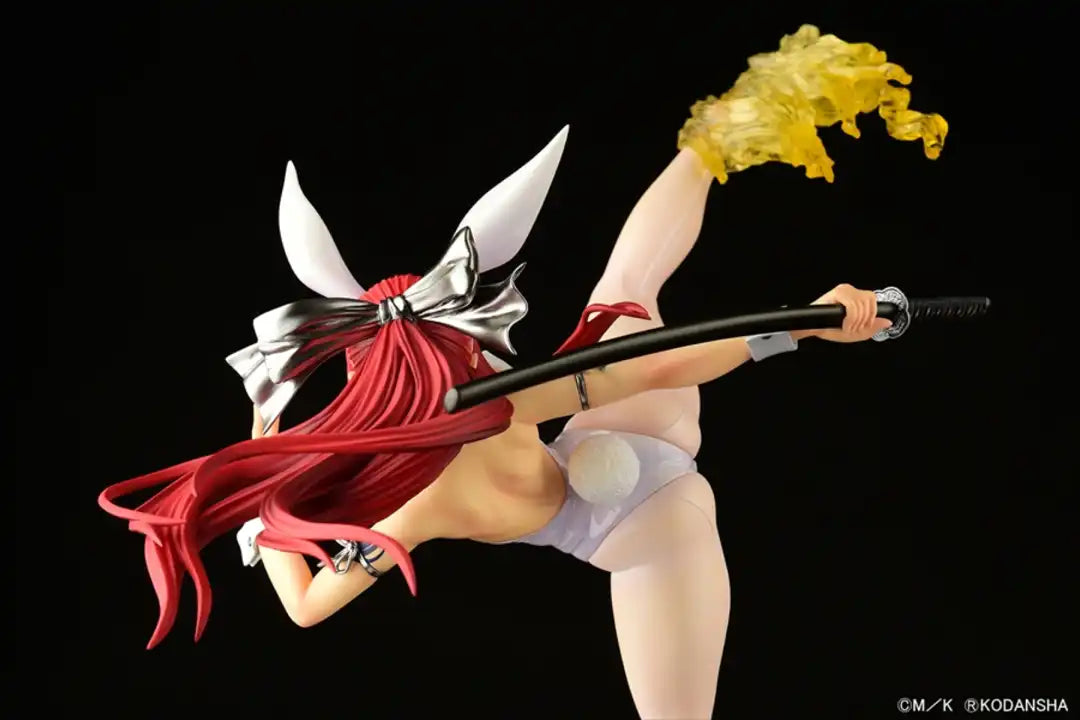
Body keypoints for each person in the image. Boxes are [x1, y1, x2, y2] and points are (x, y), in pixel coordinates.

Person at [100, 25, 945, 719]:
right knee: (624, 293)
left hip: (630, 487)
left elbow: (304, 605)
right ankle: (716, 141)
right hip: (640, 516)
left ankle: (719, 140)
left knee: (623, 300)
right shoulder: (481, 422)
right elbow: (650, 368)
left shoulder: (419, 487)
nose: (481, 353)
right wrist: (801, 326)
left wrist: (270, 498)